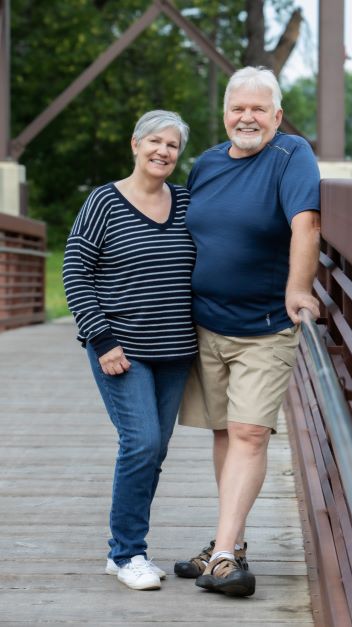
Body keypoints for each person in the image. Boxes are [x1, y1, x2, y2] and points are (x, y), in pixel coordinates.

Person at [174, 66, 321, 597]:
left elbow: (307, 222)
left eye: (260, 108)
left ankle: (222, 553)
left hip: (264, 326)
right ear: (224, 114)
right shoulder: (208, 164)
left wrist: (299, 287)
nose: (248, 117)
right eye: (239, 108)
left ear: (277, 116)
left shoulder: (291, 156)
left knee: (250, 432)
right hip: (206, 322)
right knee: (225, 431)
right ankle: (227, 546)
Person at [63, 110, 197, 591]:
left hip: (176, 349)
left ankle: (125, 549)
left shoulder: (185, 202)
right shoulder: (104, 200)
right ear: (135, 144)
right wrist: (101, 339)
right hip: (122, 348)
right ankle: (127, 553)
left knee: (154, 450)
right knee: (140, 443)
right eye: (155, 142)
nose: (163, 152)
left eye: (173, 146)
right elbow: (74, 272)